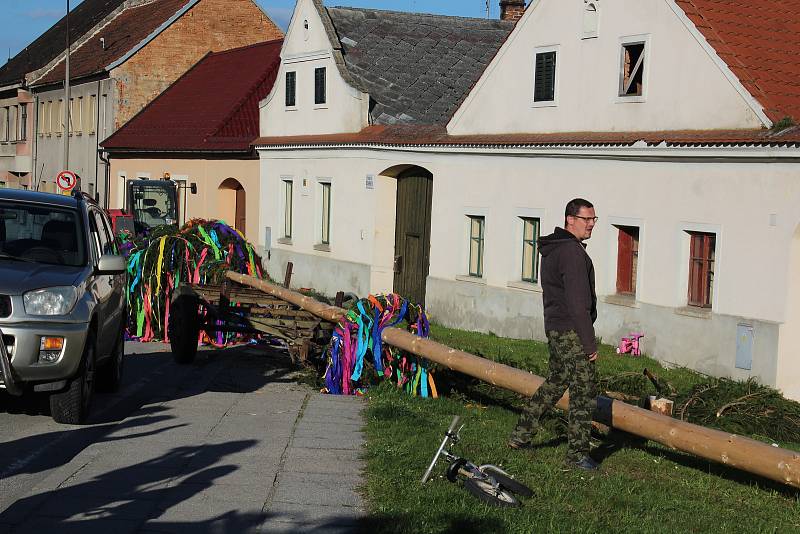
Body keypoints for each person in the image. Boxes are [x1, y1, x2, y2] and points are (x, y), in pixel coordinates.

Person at [508, 198, 599, 470]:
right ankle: (577, 456)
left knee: (556, 382)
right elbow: (577, 302)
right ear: (570, 219)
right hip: (571, 329)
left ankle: (520, 436)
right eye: (587, 219)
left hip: (556, 327)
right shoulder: (570, 252)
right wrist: (589, 342)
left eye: (594, 219)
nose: (592, 224)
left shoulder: (556, 249)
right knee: (584, 389)